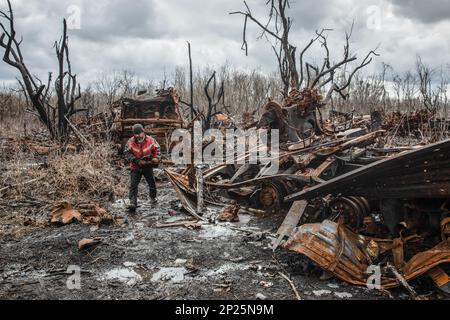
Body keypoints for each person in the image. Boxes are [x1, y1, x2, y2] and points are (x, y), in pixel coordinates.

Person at [124, 124, 161, 212]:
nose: (138, 136)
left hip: (148, 166)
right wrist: (136, 161)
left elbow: (158, 150)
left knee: (151, 183)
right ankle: (133, 203)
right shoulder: (130, 142)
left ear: (143, 132)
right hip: (136, 166)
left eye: (139, 133)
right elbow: (126, 153)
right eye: (136, 134)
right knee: (133, 185)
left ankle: (153, 198)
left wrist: (156, 158)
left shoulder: (151, 140)